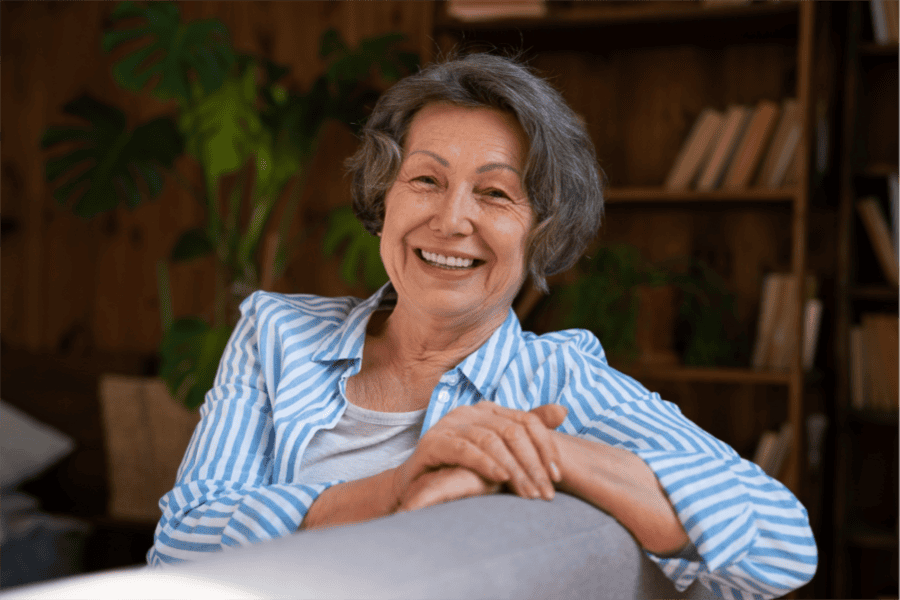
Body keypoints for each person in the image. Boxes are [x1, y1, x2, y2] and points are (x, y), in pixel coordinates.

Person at [147, 53, 817, 598]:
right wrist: (398, 486)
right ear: (385, 197)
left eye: (494, 193)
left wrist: (542, 452)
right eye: (426, 180)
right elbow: (180, 547)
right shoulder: (277, 335)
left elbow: (782, 539)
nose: (451, 220)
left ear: (542, 233)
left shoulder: (556, 379)